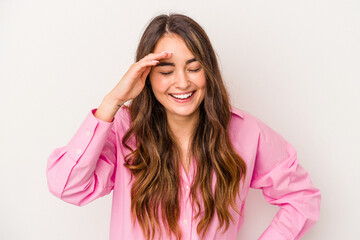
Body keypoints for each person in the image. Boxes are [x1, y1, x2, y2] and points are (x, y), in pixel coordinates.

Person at [46, 13, 321, 240]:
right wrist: (112, 101)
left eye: (193, 68)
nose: (181, 82)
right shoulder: (122, 130)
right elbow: (67, 186)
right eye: (166, 71)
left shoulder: (246, 132)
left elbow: (301, 198)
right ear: (146, 76)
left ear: (208, 71)